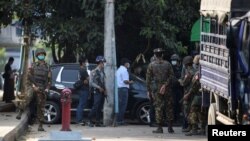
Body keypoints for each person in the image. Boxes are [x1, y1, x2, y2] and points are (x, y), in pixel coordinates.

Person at [16, 48, 51, 132]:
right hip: (33, 86)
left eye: (42, 54)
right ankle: (21, 111)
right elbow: (28, 77)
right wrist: (33, 86)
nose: (41, 56)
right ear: (37, 56)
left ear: (44, 56)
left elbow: (49, 80)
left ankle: (40, 125)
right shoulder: (33, 65)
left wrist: (46, 89)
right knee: (28, 96)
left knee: (41, 106)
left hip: (42, 87)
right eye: (39, 54)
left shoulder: (47, 67)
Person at [146, 48, 175, 133]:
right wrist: (165, 85)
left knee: (158, 107)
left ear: (155, 55)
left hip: (156, 89)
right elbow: (172, 76)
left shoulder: (151, 65)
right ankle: (170, 127)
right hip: (167, 89)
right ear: (162, 55)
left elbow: (148, 79)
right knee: (169, 107)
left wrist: (148, 90)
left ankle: (159, 127)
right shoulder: (168, 64)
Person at [178, 55, 196, 132]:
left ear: (185, 64)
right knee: (191, 110)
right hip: (192, 93)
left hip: (188, 94)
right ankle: (190, 127)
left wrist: (179, 81)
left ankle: (192, 127)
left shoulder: (189, 73)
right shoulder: (194, 70)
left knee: (188, 111)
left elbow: (184, 83)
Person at [88, 55, 106, 127]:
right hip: (96, 91)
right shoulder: (93, 71)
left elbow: (103, 82)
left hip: (102, 91)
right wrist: (98, 87)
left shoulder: (102, 72)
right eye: (103, 63)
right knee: (95, 106)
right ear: (100, 63)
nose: (104, 64)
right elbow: (90, 83)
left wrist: (105, 89)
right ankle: (89, 120)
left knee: (99, 107)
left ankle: (98, 122)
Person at [116, 58, 133, 125]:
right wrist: (131, 82)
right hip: (123, 89)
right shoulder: (124, 70)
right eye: (128, 63)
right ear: (125, 63)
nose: (128, 64)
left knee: (119, 105)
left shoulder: (119, 70)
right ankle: (120, 121)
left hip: (119, 89)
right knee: (123, 105)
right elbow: (125, 81)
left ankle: (119, 120)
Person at [75, 56, 89, 125]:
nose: (87, 63)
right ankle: (79, 120)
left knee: (81, 104)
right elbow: (89, 79)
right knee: (81, 105)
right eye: (86, 62)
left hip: (81, 89)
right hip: (83, 89)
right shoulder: (83, 70)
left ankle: (80, 119)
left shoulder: (80, 69)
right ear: (83, 63)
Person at [170, 54, 183, 124]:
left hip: (180, 89)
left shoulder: (181, 67)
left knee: (179, 104)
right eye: (172, 60)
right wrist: (177, 80)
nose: (173, 62)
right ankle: (174, 119)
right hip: (173, 89)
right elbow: (170, 77)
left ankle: (178, 118)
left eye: (175, 60)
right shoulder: (171, 68)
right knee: (173, 104)